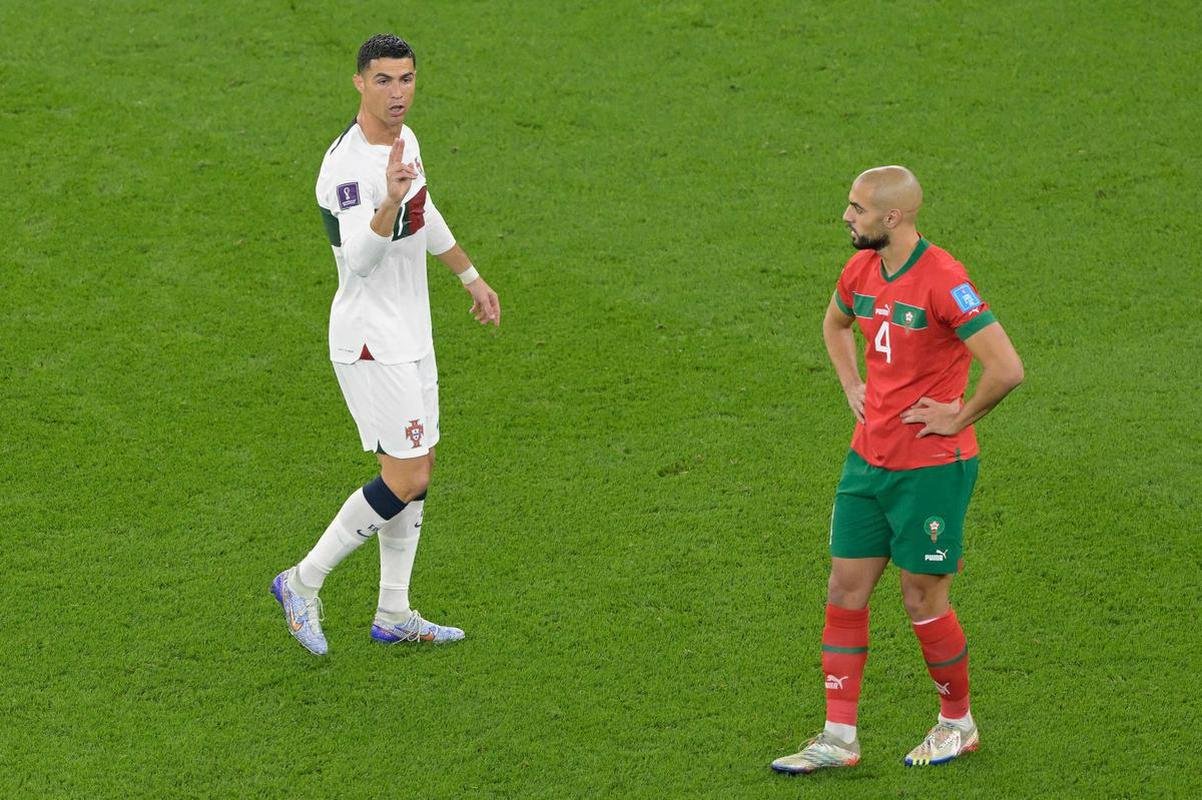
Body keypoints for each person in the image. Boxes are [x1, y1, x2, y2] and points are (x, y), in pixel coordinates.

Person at [771, 166, 1024, 773]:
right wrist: (851, 382)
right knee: (844, 589)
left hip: (930, 470)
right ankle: (838, 738)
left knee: (921, 599)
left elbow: (1006, 367)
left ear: (894, 217)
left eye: (856, 208)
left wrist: (959, 417)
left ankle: (957, 724)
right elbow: (834, 325)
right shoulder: (860, 270)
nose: (846, 217)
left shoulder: (944, 279)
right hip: (867, 461)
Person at [271, 33, 501, 656]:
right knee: (405, 473)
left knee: (417, 471)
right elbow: (362, 259)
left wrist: (469, 275)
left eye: (406, 79)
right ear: (359, 83)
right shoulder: (345, 169)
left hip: (412, 334)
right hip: (371, 341)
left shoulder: (407, 141)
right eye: (383, 80)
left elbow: (425, 215)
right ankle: (302, 580)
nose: (397, 93)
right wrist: (389, 200)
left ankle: (393, 613)